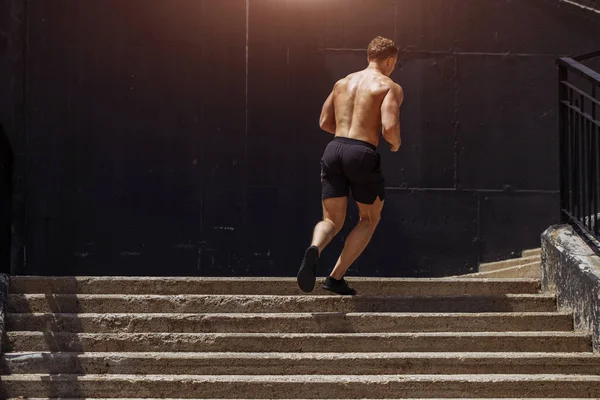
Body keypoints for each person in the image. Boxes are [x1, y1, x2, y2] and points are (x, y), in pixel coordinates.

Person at [297, 36, 404, 295]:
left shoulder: (342, 83)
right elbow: (389, 127)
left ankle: (315, 248)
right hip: (362, 152)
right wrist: (395, 142)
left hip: (334, 148)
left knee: (331, 220)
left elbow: (324, 121)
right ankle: (334, 278)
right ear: (390, 60)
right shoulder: (389, 86)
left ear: (369, 56)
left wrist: (346, 135)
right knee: (369, 218)